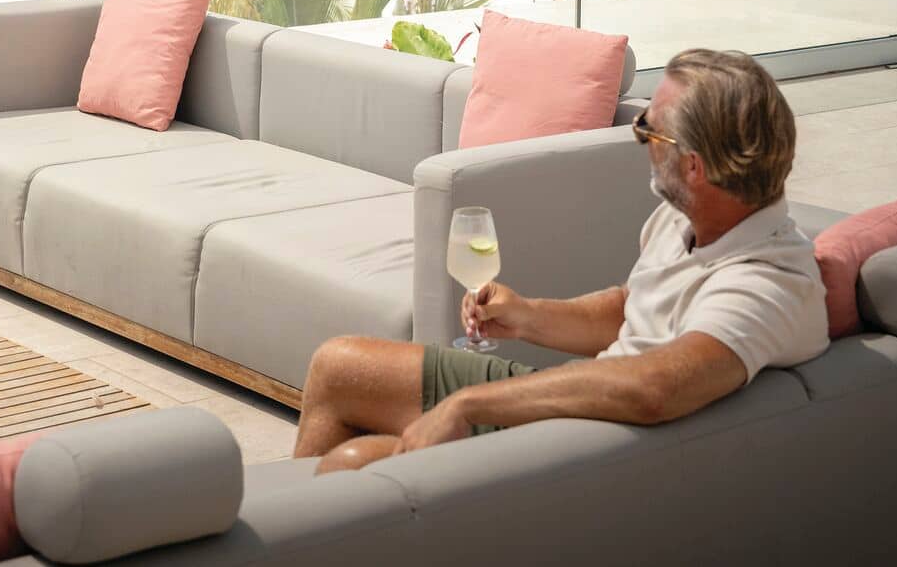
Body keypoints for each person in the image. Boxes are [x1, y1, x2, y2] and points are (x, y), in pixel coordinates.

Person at [294, 48, 828, 472]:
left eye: (647, 129)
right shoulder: (688, 216)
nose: (638, 137)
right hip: (586, 395)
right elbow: (630, 308)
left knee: (352, 466)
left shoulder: (765, 283)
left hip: (598, 443)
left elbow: (654, 388)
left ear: (693, 166)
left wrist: (470, 404)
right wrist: (528, 315)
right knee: (337, 366)